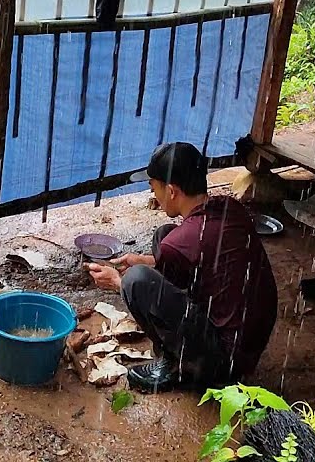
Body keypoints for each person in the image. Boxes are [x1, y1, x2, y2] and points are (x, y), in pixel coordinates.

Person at [85, 142, 278, 392]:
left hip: (225, 362)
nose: (154, 196)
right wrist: (147, 260)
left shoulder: (182, 242)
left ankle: (180, 367)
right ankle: (191, 355)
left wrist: (118, 282)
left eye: (154, 188)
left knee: (135, 280)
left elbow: (171, 262)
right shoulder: (230, 208)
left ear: (172, 191)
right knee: (163, 235)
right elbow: (199, 254)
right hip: (250, 344)